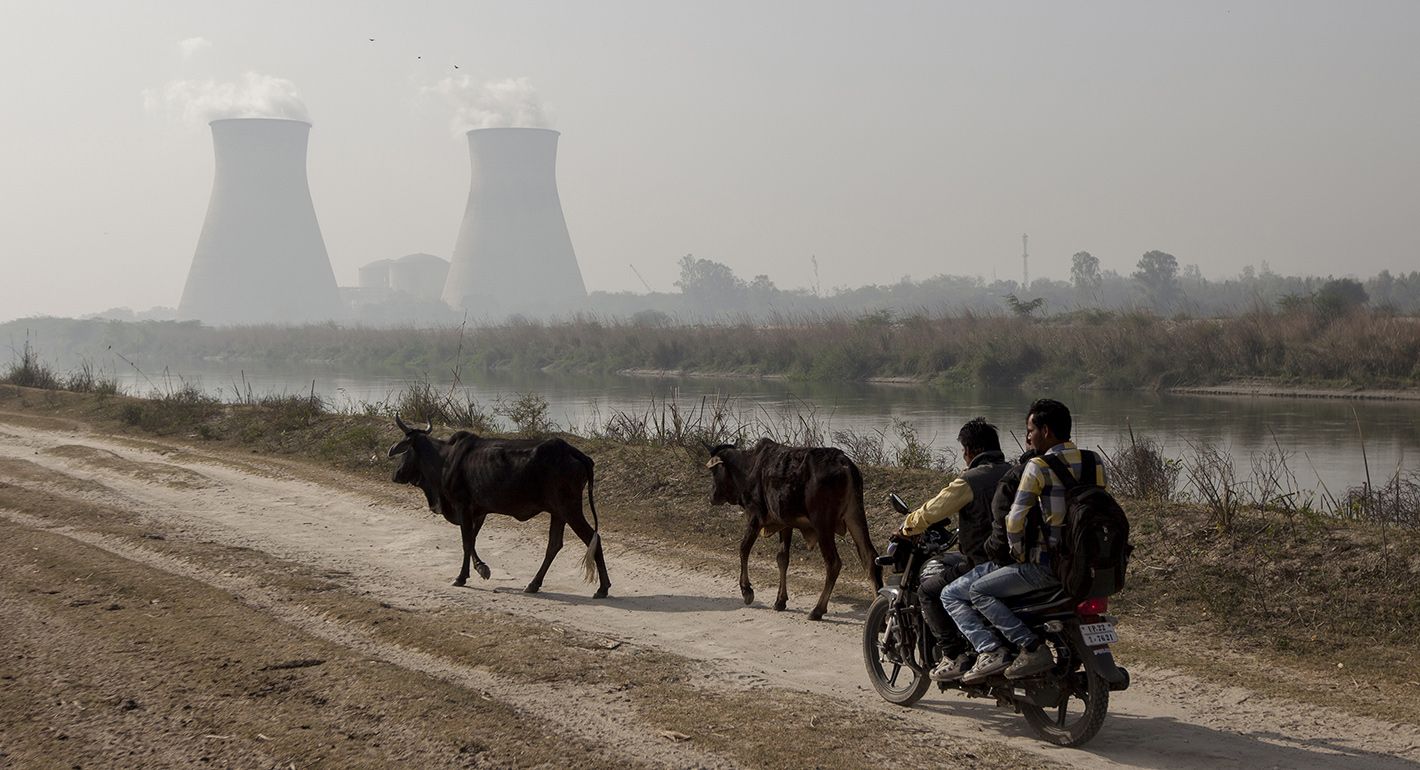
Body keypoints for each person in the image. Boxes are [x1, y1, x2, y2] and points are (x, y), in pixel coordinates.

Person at [961, 398, 1108, 682]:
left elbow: (1014, 520)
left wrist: (1017, 555)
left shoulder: (1038, 466)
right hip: (1086, 564)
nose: (1028, 437)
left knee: (979, 591)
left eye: (1031, 430)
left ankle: (1028, 647)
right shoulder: (1094, 461)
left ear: (1047, 430)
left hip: (1047, 568)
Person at [898, 418, 1010, 664]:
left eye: (964, 451)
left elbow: (934, 509)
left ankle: (952, 655)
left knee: (928, 590)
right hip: (1012, 560)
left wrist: (908, 526)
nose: (963, 456)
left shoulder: (971, 480)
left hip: (982, 561)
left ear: (972, 451)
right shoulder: (1014, 472)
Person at [929, 447, 1040, 682]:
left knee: (955, 593)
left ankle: (986, 650)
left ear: (968, 451)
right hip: (1060, 565)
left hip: (1016, 563)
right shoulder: (1059, 480)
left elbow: (1007, 528)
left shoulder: (1005, 481)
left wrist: (993, 552)